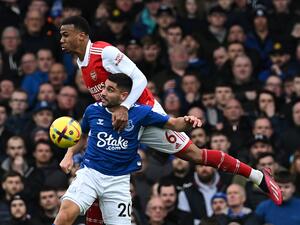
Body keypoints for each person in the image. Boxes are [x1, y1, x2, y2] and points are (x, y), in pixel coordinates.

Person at [59, 16, 282, 223]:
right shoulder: (80, 62)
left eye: (65, 34)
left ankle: (258, 176)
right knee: (100, 170)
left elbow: (140, 78)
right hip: (119, 119)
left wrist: (126, 107)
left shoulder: (104, 52)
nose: (61, 40)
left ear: (82, 35)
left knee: (195, 154)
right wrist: (70, 153)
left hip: (143, 113)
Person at [53, 73, 202, 225]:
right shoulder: (92, 110)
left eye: (110, 90)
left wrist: (188, 120)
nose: (103, 92)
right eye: (104, 87)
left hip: (119, 181)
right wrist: (69, 154)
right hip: (90, 174)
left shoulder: (141, 112)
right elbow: (82, 136)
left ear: (123, 96)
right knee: (65, 215)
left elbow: (175, 124)